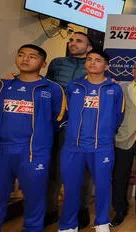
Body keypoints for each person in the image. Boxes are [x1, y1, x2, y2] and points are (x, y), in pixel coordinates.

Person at [0, 44, 65, 232]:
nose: (25, 59)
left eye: (32, 56)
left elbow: (58, 118)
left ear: (43, 64)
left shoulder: (52, 89)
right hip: (1, 152)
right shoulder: (2, 86)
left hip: (34, 153)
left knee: (35, 200)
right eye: (21, 55)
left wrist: (42, 138)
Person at [58, 50, 124, 232]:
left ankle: (102, 223)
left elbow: (118, 116)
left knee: (103, 186)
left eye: (98, 60)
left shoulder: (114, 88)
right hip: (73, 147)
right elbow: (67, 112)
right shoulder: (73, 87)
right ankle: (68, 226)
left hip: (101, 147)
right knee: (71, 188)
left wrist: (105, 133)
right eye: (89, 59)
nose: (93, 63)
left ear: (106, 66)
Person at [45, 32, 93, 228]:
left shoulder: (93, 65)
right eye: (71, 40)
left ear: (89, 47)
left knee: (81, 170)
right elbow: (45, 87)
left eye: (78, 41)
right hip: (52, 123)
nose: (72, 43)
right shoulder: (56, 63)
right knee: (52, 169)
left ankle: (81, 209)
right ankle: (50, 210)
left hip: (80, 124)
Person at [110, 60, 136, 227]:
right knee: (119, 178)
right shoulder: (120, 88)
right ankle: (119, 210)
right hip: (123, 138)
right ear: (133, 71)